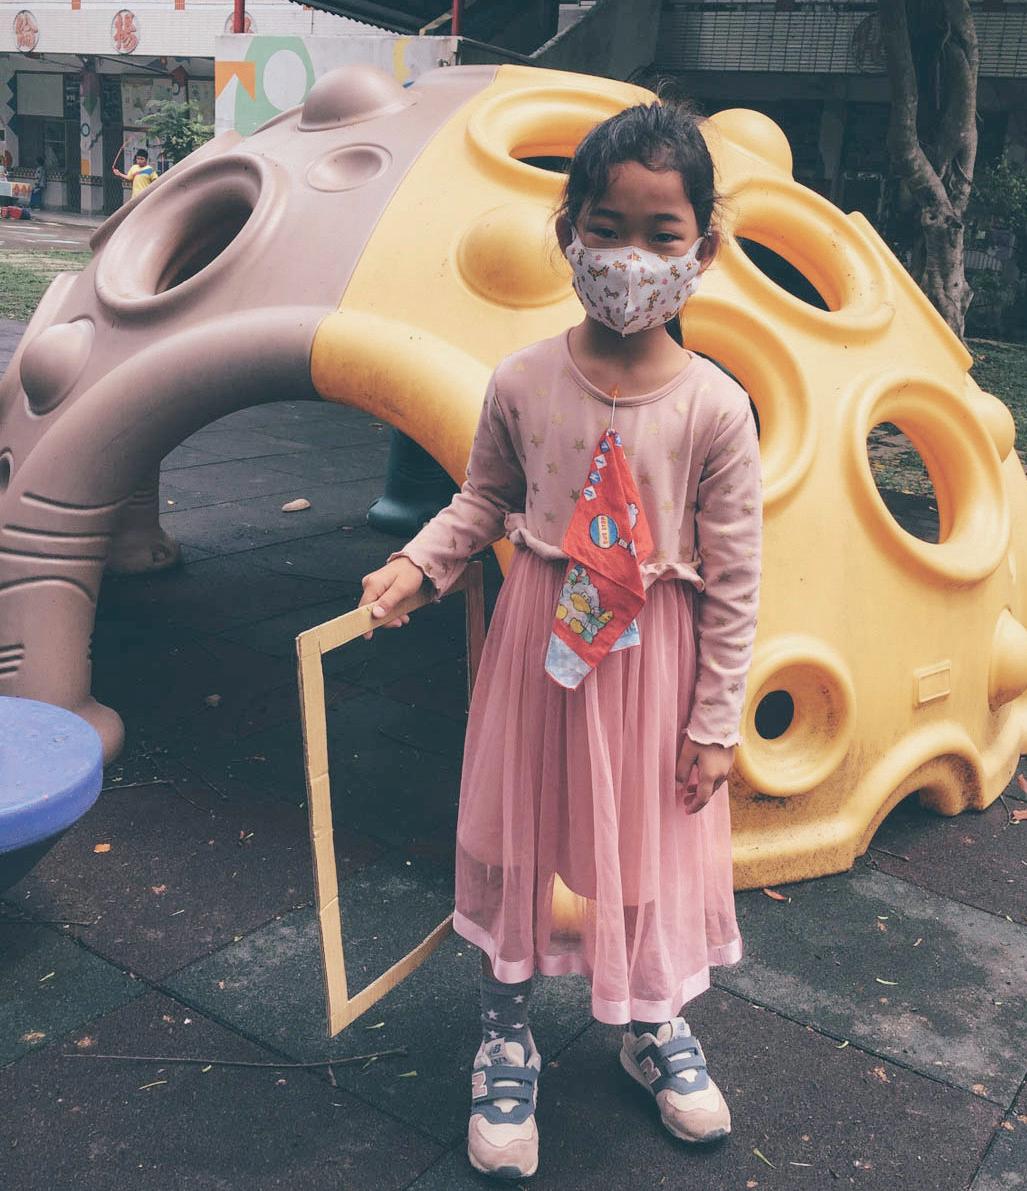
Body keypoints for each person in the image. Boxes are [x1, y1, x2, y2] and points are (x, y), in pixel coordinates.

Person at [359, 101, 762, 1180]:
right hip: (538, 655)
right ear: (567, 232)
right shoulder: (522, 381)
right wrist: (421, 564)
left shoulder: (716, 408)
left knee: (645, 843)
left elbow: (735, 582)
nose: (630, 258)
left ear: (703, 248)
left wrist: (714, 722)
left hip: (654, 667)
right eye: (606, 227)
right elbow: (480, 499)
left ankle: (653, 1019)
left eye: (661, 233)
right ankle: (505, 1032)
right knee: (520, 833)